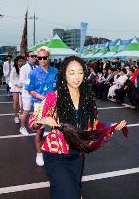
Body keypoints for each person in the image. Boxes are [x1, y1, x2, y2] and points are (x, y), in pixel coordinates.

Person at [28, 56, 126, 199]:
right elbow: (32, 122)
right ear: (64, 75)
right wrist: (42, 120)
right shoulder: (53, 97)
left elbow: (92, 126)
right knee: (69, 194)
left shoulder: (88, 98)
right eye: (72, 73)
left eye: (80, 72)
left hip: (77, 154)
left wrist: (110, 127)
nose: (77, 77)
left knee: (69, 192)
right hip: (56, 155)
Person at [25, 47, 58, 166]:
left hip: (54, 104)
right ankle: (39, 154)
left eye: (44, 57)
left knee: (56, 129)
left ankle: (55, 151)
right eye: (39, 58)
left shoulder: (55, 72)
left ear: (48, 57)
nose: (42, 60)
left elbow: (59, 87)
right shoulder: (33, 73)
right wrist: (44, 99)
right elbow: (30, 90)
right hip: (39, 105)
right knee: (40, 130)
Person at [19, 51, 37, 136]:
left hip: (36, 93)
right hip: (27, 93)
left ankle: (36, 127)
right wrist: (32, 83)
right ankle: (22, 127)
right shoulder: (24, 67)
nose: (34, 57)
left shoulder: (37, 67)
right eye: (32, 56)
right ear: (27, 58)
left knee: (37, 111)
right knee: (26, 111)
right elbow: (22, 80)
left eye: (35, 56)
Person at [9, 56, 25, 124]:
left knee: (23, 102)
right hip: (15, 87)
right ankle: (16, 116)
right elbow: (11, 79)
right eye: (19, 61)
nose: (20, 62)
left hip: (23, 87)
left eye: (22, 61)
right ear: (16, 62)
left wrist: (23, 84)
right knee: (16, 102)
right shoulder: (13, 69)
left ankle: (21, 113)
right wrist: (17, 85)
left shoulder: (24, 68)